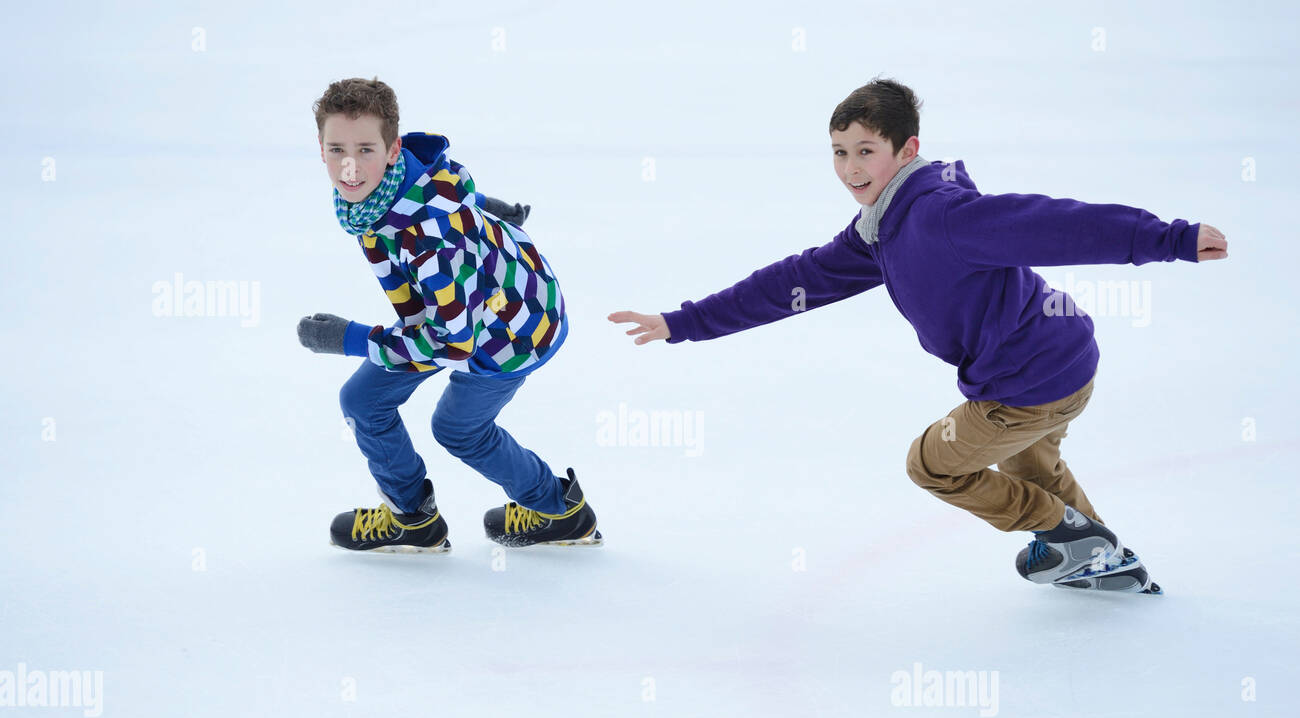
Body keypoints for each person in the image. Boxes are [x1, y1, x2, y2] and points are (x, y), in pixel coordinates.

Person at [609, 77, 1227, 593]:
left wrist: (1169, 239)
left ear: (907, 151)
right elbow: (795, 282)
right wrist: (683, 322)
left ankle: (1069, 534)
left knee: (933, 464)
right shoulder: (881, 228)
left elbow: (1059, 226)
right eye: (839, 151)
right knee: (1034, 468)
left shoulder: (942, 216)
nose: (851, 168)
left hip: (1024, 383)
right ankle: (1100, 556)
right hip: (1063, 363)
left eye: (866, 150)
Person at [297, 77, 600, 552]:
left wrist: (349, 338)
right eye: (336, 149)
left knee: (459, 430)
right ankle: (413, 518)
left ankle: (557, 510)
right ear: (320, 149)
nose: (349, 167)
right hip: (455, 309)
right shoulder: (388, 188)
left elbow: (452, 344)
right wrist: (485, 209)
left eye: (365, 150)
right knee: (363, 400)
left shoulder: (431, 245)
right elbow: (443, 191)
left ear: (392, 148)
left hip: (510, 327)